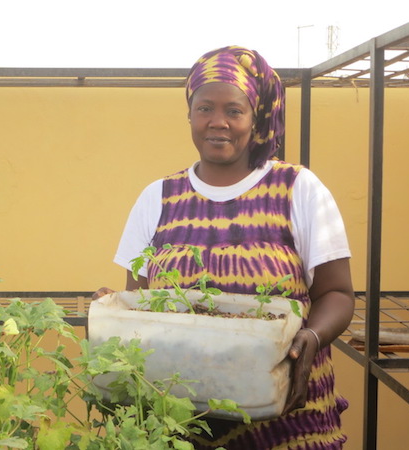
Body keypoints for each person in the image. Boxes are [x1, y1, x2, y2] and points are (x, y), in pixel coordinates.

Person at [94, 45, 355, 449]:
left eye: (234, 110)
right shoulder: (157, 198)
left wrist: (313, 338)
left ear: (257, 116)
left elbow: (337, 293)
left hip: (285, 421)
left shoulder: (298, 189)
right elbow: (144, 304)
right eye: (204, 109)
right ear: (189, 114)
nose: (218, 123)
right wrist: (117, 315)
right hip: (180, 421)